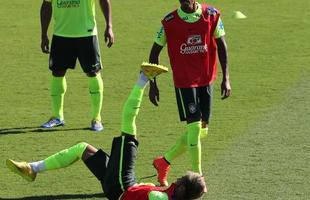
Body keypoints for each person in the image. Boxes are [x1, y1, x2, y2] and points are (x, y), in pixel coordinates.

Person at [6, 69, 207, 200]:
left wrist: (147, 188)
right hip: (119, 187)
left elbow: (150, 196)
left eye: (181, 179)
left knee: (129, 128)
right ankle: (33, 168)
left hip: (122, 186)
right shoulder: (171, 194)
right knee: (83, 149)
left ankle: (143, 78)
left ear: (182, 190)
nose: (178, 178)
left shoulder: (161, 198)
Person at [148, 0, 232, 186]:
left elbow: (222, 47)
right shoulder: (169, 22)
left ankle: (164, 161)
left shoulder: (211, 15)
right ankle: (198, 177)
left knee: (202, 131)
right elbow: (154, 53)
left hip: (206, 79)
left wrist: (226, 78)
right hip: (185, 82)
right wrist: (153, 84)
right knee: (194, 128)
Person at [40, 0, 114, 131]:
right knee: (57, 72)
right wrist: (44, 34)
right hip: (61, 33)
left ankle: (96, 118)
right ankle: (57, 117)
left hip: (87, 33)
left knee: (93, 72)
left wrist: (109, 26)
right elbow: (46, 4)